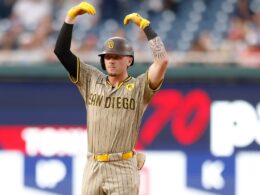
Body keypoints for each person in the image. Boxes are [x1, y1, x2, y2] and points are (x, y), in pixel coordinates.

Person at [54, 2, 168, 195]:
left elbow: (162, 61)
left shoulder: (140, 87)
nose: (111, 60)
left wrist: (146, 28)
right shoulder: (91, 78)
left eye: (117, 56)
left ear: (129, 60)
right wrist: (70, 19)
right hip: (93, 165)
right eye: (107, 57)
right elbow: (62, 52)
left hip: (122, 167)